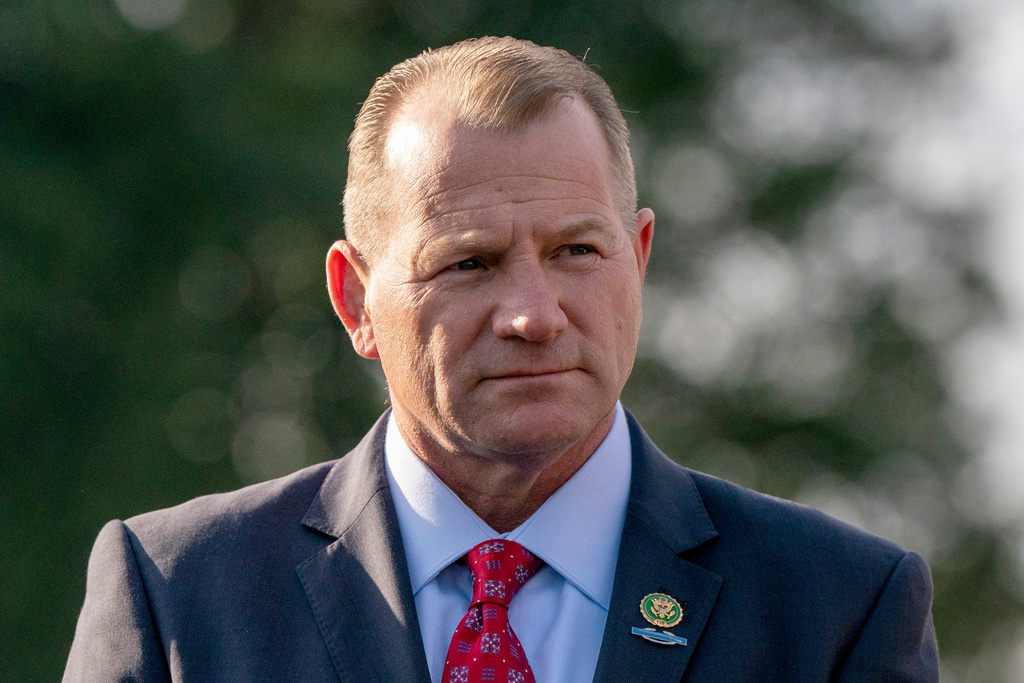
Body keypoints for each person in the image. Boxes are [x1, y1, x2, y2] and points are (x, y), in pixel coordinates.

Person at [64, 37, 939, 682]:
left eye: (576, 252)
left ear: (638, 258)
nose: (533, 314)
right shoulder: (179, 596)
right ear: (354, 300)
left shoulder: (837, 608)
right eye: (469, 262)